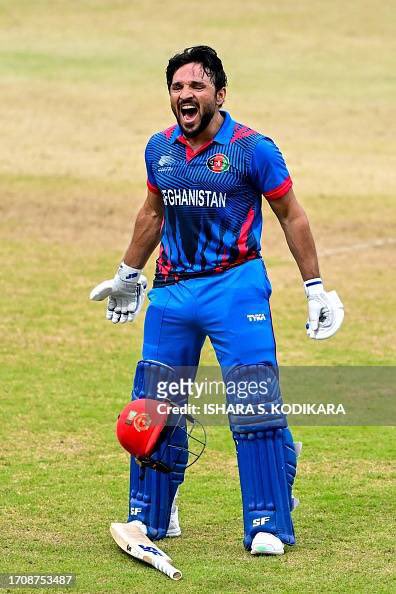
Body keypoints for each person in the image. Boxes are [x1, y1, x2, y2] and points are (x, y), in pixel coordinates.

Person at [90, 46, 343, 556]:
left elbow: (291, 214)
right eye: (178, 87)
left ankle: (269, 520)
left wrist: (315, 286)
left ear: (219, 95)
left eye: (197, 86)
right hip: (172, 289)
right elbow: (152, 213)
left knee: (254, 400)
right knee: (155, 403)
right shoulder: (159, 149)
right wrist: (126, 273)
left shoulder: (253, 150)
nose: (186, 95)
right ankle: (150, 515)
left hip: (235, 285)